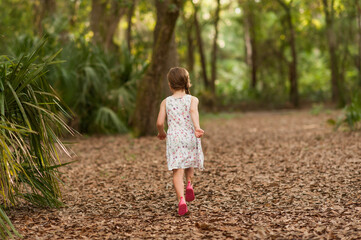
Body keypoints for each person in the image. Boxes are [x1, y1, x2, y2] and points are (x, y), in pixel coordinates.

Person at [156, 67, 205, 216]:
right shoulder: (193, 99)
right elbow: (193, 112)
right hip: (190, 135)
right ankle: (189, 184)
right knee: (189, 161)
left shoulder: (166, 102)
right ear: (187, 83)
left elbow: (159, 122)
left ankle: (181, 200)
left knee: (177, 170)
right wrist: (197, 127)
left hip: (175, 138)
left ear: (170, 85)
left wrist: (161, 132)